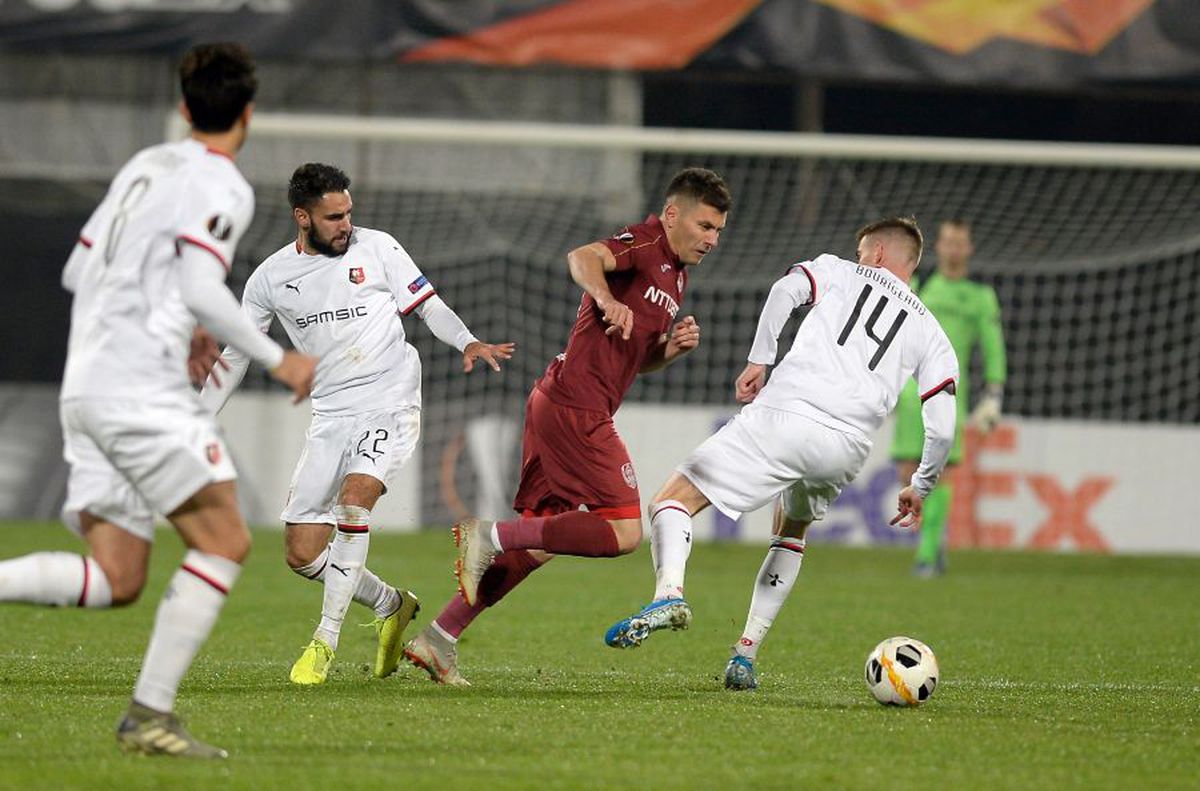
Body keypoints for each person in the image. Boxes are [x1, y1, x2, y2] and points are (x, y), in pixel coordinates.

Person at [0, 44, 317, 757]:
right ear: (248, 113)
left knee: (118, 576)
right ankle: (148, 715)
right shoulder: (223, 185)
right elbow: (202, 284)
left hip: (83, 385)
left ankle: (147, 713)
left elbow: (80, 268)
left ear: (182, 108)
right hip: (139, 391)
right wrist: (278, 357)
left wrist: (183, 325)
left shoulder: (145, 165)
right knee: (226, 539)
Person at [402, 167, 732, 686]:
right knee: (624, 532)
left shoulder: (677, 274)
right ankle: (487, 533)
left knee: (538, 543)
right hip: (577, 408)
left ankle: (438, 638)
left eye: (718, 231)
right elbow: (581, 257)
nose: (712, 239)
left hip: (560, 402)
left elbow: (632, 359)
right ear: (673, 215)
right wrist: (605, 298)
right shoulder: (643, 242)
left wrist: (666, 351)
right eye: (705, 226)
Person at [604, 217, 959, 692]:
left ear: (875, 254)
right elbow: (942, 421)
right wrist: (922, 484)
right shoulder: (931, 331)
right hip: (847, 447)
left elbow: (784, 291)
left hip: (788, 415)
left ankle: (669, 593)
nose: (858, 259)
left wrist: (759, 358)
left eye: (861, 252)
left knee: (672, 501)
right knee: (792, 532)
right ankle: (745, 656)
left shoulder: (839, 270)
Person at [200, 162, 514, 686]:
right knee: (301, 553)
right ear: (302, 217)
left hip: (391, 400)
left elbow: (428, 306)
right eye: (333, 217)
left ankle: (325, 640)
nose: (346, 224)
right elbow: (235, 356)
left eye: (348, 213)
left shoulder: (378, 248)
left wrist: (468, 341)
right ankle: (392, 604)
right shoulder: (271, 279)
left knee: (354, 501)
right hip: (330, 413)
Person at [889, 219, 1006, 576]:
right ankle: (932, 544)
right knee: (908, 474)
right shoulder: (922, 287)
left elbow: (992, 347)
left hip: (952, 392)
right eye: (948, 243)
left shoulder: (980, 297)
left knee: (943, 473)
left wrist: (994, 393)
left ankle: (926, 555)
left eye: (960, 243)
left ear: (968, 249)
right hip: (912, 393)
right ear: (938, 247)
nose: (954, 249)